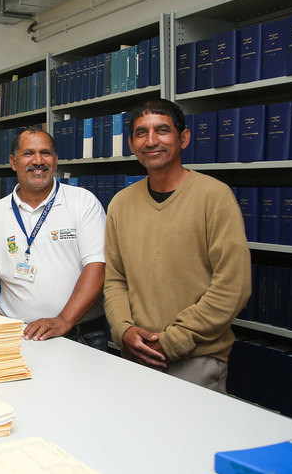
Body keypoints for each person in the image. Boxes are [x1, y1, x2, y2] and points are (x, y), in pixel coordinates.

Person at [103, 98, 250, 393]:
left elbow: (233, 287)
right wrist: (124, 330)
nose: (151, 141)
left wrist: (174, 340)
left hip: (196, 357)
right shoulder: (120, 203)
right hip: (135, 354)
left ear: (183, 138)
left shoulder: (215, 197)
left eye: (162, 131)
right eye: (142, 133)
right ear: (131, 144)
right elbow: (115, 279)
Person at [0, 127, 108, 349]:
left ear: (56, 160)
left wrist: (64, 320)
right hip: (17, 336)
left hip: (79, 336)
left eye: (46, 153)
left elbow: (97, 266)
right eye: (28, 153)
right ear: (14, 162)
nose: (38, 160)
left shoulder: (83, 203)